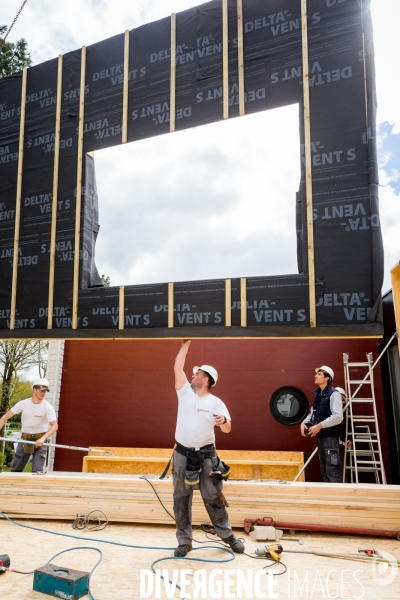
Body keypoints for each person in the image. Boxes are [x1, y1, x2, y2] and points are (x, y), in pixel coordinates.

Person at [172, 339, 244, 557]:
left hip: (206, 457)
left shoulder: (216, 402)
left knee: (213, 496)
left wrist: (224, 421)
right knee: (181, 499)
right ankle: (184, 542)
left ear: (205, 380)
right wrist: (185, 346)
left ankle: (227, 535)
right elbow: (177, 367)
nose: (192, 376)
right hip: (182, 455)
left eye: (196, 374)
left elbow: (228, 429)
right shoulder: (184, 392)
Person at [0, 378, 58, 473]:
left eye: (45, 391)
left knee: (37, 472)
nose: (43, 393)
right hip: (25, 440)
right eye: (41, 390)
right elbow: (5, 417)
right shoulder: (23, 404)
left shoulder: (47, 407)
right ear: (34, 390)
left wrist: (43, 439)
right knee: (16, 471)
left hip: (40, 441)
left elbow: (54, 426)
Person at [300, 366, 343, 483]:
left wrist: (319, 425)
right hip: (321, 437)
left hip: (330, 438)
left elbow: (338, 417)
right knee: (325, 470)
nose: (315, 376)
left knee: (332, 472)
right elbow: (313, 413)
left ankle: (337, 499)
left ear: (327, 378)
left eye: (319, 374)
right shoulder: (318, 395)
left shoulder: (334, 394)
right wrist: (303, 422)